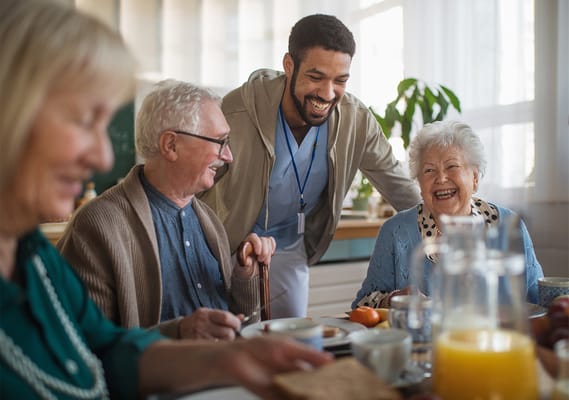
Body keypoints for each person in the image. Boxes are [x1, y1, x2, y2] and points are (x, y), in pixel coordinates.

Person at [0, 1, 331, 399]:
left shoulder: (35, 258)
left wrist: (233, 355)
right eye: (83, 119)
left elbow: (104, 348)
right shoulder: (98, 226)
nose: (105, 157)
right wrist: (184, 336)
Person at [198, 14, 421, 318]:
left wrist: (450, 224)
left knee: (293, 344)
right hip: (225, 248)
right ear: (289, 65)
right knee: (224, 342)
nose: (328, 94)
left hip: (289, 247)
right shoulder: (236, 112)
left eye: (340, 80)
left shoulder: (356, 120)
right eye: (316, 77)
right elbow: (193, 186)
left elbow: (400, 187)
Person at [58, 79, 276, 341]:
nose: (228, 155)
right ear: (170, 145)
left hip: (224, 373)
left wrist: (245, 274)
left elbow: (241, 326)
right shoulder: (97, 225)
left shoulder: (209, 221)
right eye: (219, 141)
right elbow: (88, 344)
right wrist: (180, 332)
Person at [352, 120, 544, 308]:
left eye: (452, 167)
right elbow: (362, 305)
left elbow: (537, 299)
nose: (441, 178)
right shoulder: (395, 231)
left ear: (475, 178)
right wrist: (394, 299)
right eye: (429, 170)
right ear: (419, 184)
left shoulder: (509, 225)